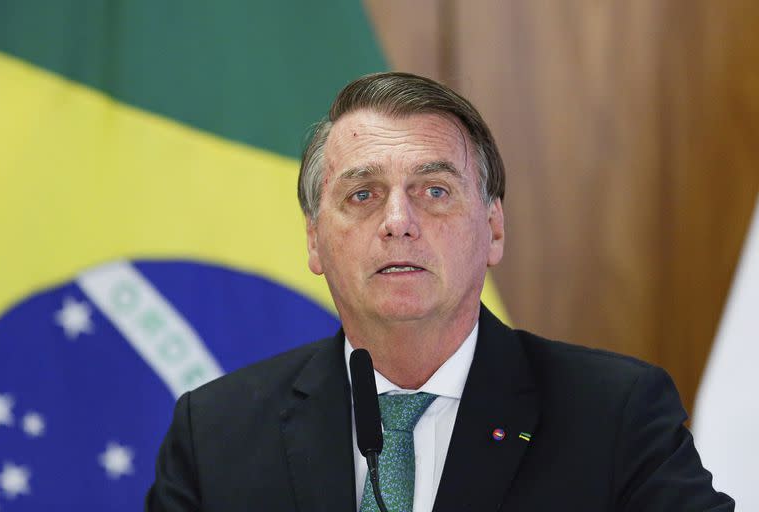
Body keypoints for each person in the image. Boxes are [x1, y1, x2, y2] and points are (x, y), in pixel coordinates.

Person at [146, 72, 734, 511]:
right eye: (362, 195)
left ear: (494, 228)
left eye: (434, 191)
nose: (398, 221)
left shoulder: (614, 415)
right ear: (315, 242)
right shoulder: (216, 432)